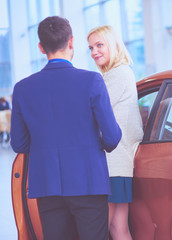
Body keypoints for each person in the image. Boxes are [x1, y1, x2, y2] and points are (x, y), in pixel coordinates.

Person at [10, 16, 121, 240]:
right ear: (71, 42)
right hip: (89, 182)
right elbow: (112, 137)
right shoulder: (91, 81)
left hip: (47, 186)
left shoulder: (22, 89)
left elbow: (19, 143)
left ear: (41, 47)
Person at [87, 25, 143, 240]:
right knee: (118, 227)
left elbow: (91, 114)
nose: (94, 52)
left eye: (100, 45)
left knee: (101, 228)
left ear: (113, 45)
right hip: (120, 162)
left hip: (111, 162)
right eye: (91, 47)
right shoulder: (123, 72)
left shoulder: (115, 75)